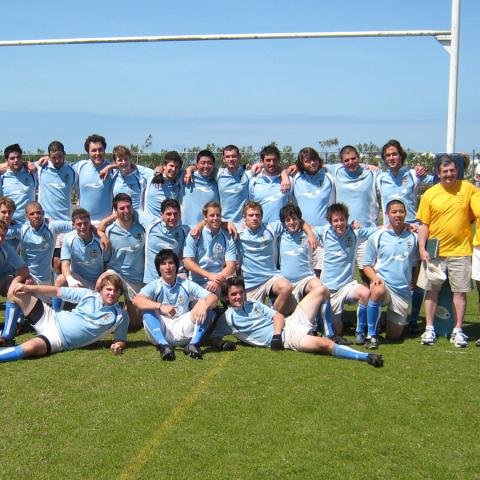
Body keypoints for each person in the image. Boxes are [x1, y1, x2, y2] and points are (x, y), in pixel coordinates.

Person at [210, 277, 383, 367]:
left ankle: (330, 331)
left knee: (322, 290)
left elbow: (277, 316)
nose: (238, 297)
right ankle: (366, 357)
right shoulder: (227, 318)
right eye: (234, 295)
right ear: (225, 298)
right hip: (289, 338)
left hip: (290, 321)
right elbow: (212, 337)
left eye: (240, 292)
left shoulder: (253, 303)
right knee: (324, 345)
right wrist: (222, 344)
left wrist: (276, 334)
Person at [416, 155, 477, 348]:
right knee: (431, 291)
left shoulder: (468, 189)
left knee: (459, 293)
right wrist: (422, 249)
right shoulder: (430, 194)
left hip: (461, 250)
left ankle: (458, 330)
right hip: (435, 250)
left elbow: (473, 216)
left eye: (451, 170)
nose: (448, 174)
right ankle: (429, 329)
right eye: (444, 171)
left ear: (456, 171)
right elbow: (423, 225)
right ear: (438, 173)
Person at [0, 273, 128, 362]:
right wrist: (28, 287)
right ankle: (7, 337)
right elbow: (56, 291)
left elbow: (120, 339)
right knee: (14, 292)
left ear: (120, 293)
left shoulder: (120, 316)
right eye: (109, 289)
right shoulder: (88, 295)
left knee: (27, 349)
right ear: (101, 289)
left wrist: (118, 346)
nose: (112, 293)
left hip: (57, 339)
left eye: (116, 291)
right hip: (50, 318)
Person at [376, 139, 432, 333]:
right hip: (389, 233)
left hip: (413, 231)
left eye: (395, 154)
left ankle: (414, 318)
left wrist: (424, 172)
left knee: (416, 278)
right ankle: (382, 314)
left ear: (401, 156)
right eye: (388, 155)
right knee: (384, 273)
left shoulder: (413, 175)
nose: (392, 158)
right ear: (384, 158)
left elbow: (437, 181)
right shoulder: (379, 177)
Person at [132, 249, 218, 360]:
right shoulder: (155, 285)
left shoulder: (185, 283)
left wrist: (204, 305)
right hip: (162, 329)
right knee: (147, 311)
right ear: (159, 268)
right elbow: (136, 300)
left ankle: (193, 345)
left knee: (206, 308)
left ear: (176, 266)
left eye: (171, 263)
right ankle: (164, 346)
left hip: (183, 327)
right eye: (163, 264)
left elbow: (213, 298)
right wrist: (160, 306)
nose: (167, 267)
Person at [277, 204, 345, 344]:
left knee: (320, 287)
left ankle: (328, 332)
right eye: (288, 219)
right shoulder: (279, 234)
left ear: (300, 220)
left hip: (306, 279)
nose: (291, 222)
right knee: (293, 326)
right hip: (286, 284)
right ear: (284, 222)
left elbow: (332, 229)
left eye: (294, 219)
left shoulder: (309, 234)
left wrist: (310, 232)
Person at [316, 203, 376, 345]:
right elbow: (306, 228)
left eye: (342, 220)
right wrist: (311, 235)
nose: (339, 223)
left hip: (347, 286)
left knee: (365, 293)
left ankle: (360, 332)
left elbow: (377, 230)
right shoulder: (324, 232)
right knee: (337, 332)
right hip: (328, 289)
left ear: (347, 219)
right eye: (335, 221)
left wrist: (406, 226)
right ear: (330, 222)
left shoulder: (355, 232)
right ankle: (323, 322)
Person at [362, 199, 419, 348]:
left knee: (394, 336)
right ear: (387, 214)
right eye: (394, 212)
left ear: (406, 214)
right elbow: (366, 265)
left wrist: (414, 280)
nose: (398, 215)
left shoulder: (414, 237)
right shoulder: (377, 236)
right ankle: (371, 335)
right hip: (385, 286)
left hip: (402, 292)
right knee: (377, 289)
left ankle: (382, 318)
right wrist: (375, 279)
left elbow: (418, 262)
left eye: (401, 211)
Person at [327, 145, 378, 277]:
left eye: (353, 158)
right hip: (342, 232)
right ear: (341, 162)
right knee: (340, 273)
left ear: (359, 158)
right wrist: (289, 170)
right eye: (346, 160)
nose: (351, 162)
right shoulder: (336, 170)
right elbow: (316, 164)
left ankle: (369, 298)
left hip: (365, 232)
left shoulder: (370, 173)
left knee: (367, 275)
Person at [291, 147, 335, 275]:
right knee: (301, 274)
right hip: (300, 234)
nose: (312, 163)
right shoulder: (295, 179)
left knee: (320, 274)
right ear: (301, 164)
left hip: (322, 234)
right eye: (307, 161)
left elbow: (333, 206)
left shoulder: (329, 178)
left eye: (314, 159)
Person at [104, 193, 145, 328]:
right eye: (122, 208)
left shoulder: (142, 229)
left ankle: (127, 307)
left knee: (135, 324)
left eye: (128, 207)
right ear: (116, 211)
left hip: (135, 278)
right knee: (104, 280)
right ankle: (104, 313)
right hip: (116, 274)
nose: (126, 211)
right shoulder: (109, 231)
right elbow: (105, 259)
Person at [54, 208, 106, 310]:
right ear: (73, 225)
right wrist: (70, 280)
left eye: (85, 223)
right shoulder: (68, 239)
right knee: (60, 279)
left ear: (90, 223)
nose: (83, 227)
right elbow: (65, 263)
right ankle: (55, 314)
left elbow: (108, 264)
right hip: (79, 281)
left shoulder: (100, 240)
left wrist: (102, 281)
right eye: (79, 224)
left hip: (98, 282)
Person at [183, 201, 237, 294]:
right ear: (205, 218)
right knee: (202, 303)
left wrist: (216, 280)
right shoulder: (195, 234)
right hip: (196, 282)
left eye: (218, 215)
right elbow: (187, 262)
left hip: (219, 282)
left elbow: (231, 266)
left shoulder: (227, 237)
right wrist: (209, 275)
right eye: (212, 215)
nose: (215, 218)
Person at [71, 134, 115, 223]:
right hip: (85, 223)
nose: (97, 153)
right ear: (88, 153)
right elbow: (60, 166)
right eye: (94, 150)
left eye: (100, 150)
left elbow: (129, 167)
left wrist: (111, 166)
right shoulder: (80, 166)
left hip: (106, 223)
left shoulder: (112, 169)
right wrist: (48, 157)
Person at [144, 199, 190, 283]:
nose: (172, 217)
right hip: (152, 280)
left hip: (174, 279)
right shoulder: (151, 225)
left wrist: (198, 227)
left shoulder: (183, 230)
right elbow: (132, 212)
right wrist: (111, 220)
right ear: (161, 215)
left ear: (179, 215)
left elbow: (204, 223)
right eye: (169, 214)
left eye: (175, 214)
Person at [0, 219, 30, 346]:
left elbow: (24, 270)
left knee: (20, 287)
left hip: (4, 278)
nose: (0, 238)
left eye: (3, 235)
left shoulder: (5, 247)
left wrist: (15, 283)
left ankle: (8, 335)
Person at [100, 145, 153, 211]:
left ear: (130, 159)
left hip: (136, 218)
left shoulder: (140, 175)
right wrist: (108, 167)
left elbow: (157, 172)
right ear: (115, 162)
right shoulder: (113, 174)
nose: (124, 162)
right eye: (120, 160)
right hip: (117, 218)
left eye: (126, 159)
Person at [249, 144, 292, 223]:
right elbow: (250, 206)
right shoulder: (253, 181)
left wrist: (284, 173)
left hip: (282, 231)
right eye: (268, 160)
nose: (272, 163)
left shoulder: (288, 181)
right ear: (262, 162)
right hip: (260, 231)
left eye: (274, 160)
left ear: (279, 160)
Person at [0, 144, 37, 223]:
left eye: (18, 157)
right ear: (6, 161)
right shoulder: (2, 177)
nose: (16, 160)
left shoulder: (32, 172)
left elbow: (50, 159)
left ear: (22, 158)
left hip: (30, 224)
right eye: (12, 158)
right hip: (10, 225)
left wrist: (27, 163)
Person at [215, 145, 251, 223]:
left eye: (234, 156)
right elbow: (199, 167)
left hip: (243, 224)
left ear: (239, 157)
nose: (231, 159)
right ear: (223, 159)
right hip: (224, 224)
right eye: (227, 157)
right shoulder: (218, 173)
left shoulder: (248, 173)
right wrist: (190, 169)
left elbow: (264, 166)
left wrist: (284, 176)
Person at [143, 151, 183, 220]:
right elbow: (132, 167)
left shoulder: (178, 182)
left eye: (176, 167)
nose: (173, 169)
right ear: (164, 166)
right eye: (171, 166)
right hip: (152, 226)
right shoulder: (151, 176)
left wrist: (189, 169)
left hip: (170, 226)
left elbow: (194, 167)